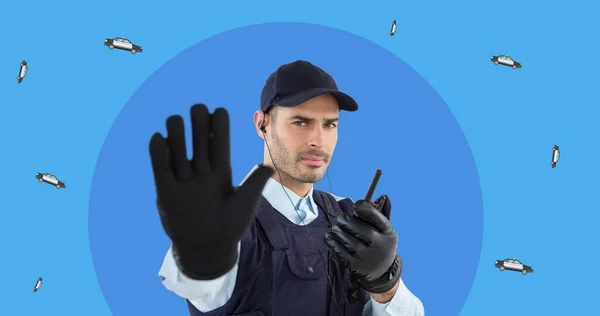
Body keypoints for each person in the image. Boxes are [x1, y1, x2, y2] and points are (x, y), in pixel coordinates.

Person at [150, 60, 424, 316]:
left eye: (329, 124)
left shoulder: (349, 219)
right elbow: (192, 282)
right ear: (262, 124)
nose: (318, 140)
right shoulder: (228, 223)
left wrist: (384, 282)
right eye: (301, 122)